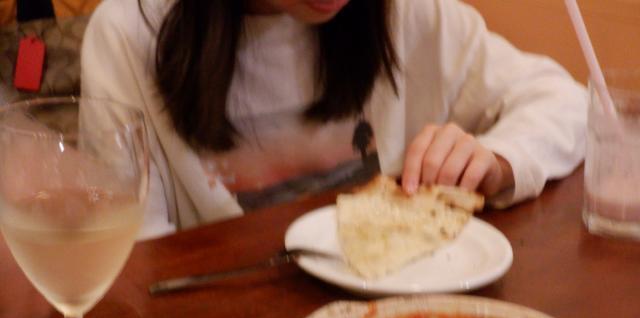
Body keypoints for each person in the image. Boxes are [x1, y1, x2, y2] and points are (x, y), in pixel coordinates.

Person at [81, 0, 587, 239]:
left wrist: (499, 158)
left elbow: (569, 102)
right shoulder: (131, 34)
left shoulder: (405, 14)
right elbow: (130, 263)